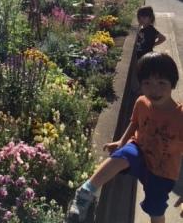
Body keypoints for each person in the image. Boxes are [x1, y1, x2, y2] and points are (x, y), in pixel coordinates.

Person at [68, 52, 183, 223]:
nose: (154, 89)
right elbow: (135, 123)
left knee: (155, 208)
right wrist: (122, 141)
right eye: (147, 83)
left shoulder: (179, 116)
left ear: (173, 83)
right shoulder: (141, 102)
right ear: (141, 84)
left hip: (163, 170)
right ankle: (85, 192)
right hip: (140, 149)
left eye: (161, 83)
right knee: (122, 156)